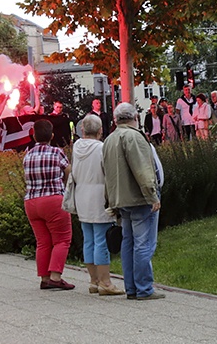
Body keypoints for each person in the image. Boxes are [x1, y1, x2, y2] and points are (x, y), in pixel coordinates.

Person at [102, 103, 164, 300]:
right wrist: (152, 195)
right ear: (135, 116)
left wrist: (110, 200)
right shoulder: (134, 137)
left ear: (116, 119)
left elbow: (107, 173)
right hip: (139, 198)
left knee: (127, 243)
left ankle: (131, 288)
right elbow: (143, 170)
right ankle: (144, 288)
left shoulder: (109, 139)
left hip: (121, 199)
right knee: (143, 243)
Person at [70, 114, 124, 296]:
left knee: (89, 240)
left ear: (83, 130)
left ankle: (93, 280)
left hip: (81, 196)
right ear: (101, 130)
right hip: (99, 196)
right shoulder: (102, 148)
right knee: (102, 240)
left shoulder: (76, 147)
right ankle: (105, 282)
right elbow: (108, 172)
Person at [23, 119, 74, 290]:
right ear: (52, 135)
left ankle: (44, 278)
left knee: (42, 242)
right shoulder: (56, 153)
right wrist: (64, 186)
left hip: (31, 201)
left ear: (34, 135)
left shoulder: (28, 155)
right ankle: (55, 276)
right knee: (62, 240)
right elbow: (69, 172)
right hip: (53, 200)